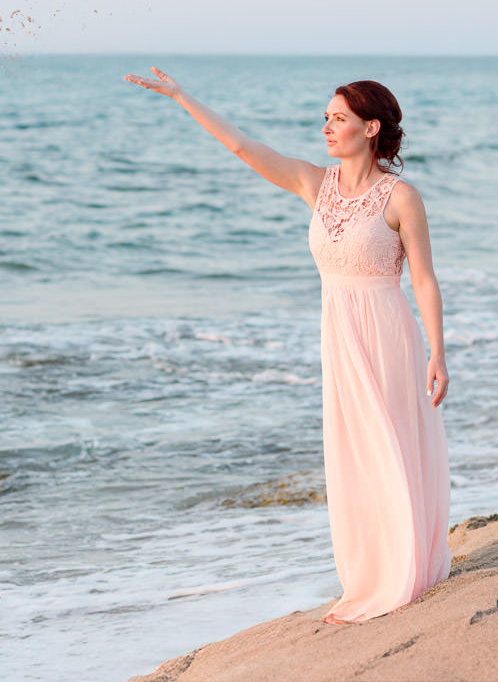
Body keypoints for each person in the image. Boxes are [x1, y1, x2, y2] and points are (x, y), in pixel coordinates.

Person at [125, 67, 452, 624]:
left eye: (339, 118)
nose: (326, 126)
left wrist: (437, 353)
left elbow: (423, 278)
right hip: (340, 336)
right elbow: (241, 145)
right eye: (325, 116)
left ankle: (404, 577)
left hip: (387, 333)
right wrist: (183, 96)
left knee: (390, 448)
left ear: (370, 128)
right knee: (352, 457)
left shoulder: (402, 198)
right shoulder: (313, 183)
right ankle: (370, 576)